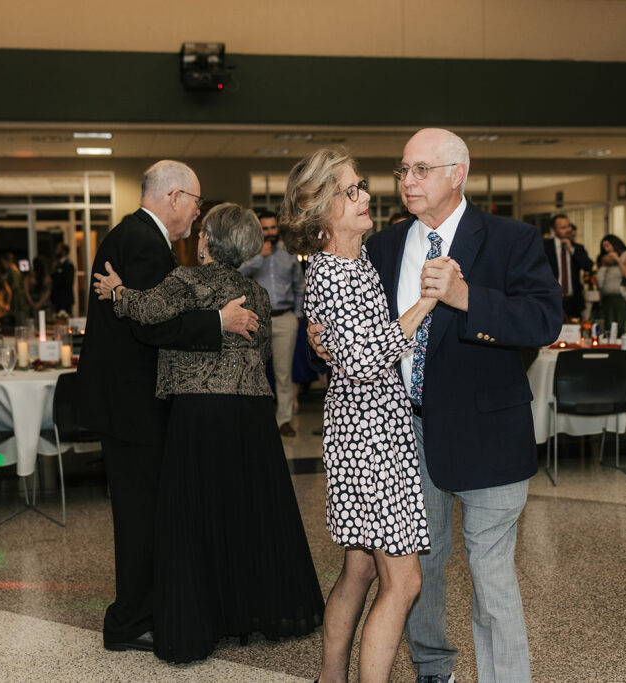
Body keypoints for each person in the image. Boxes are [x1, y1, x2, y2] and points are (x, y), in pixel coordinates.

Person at [313, 129, 563, 682]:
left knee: (491, 572)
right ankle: (432, 668)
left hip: (487, 432)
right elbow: (358, 336)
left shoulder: (510, 238)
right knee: (416, 569)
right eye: (403, 170)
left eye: (422, 170)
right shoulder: (382, 245)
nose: (408, 182)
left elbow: (544, 322)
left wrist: (467, 297)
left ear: (458, 174)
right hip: (403, 433)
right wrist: (320, 338)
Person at [92, 202, 323, 663]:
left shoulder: (187, 280)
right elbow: (255, 352)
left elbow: (149, 311)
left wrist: (117, 292)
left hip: (200, 414)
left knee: (197, 515)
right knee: (245, 512)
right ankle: (249, 611)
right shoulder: (256, 293)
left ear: (205, 243)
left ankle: (204, 615)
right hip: (251, 416)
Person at [74, 160, 258, 655]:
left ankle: (142, 612)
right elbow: (154, 323)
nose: (197, 216)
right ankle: (129, 621)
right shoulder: (142, 241)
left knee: (145, 514)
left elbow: (148, 310)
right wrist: (218, 320)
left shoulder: (137, 236)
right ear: (174, 197)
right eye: (196, 203)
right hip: (132, 407)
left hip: (128, 403)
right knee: (140, 518)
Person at [283, 148, 439, 682]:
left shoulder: (356, 258)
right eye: (351, 191)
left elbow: (353, 346)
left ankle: (331, 676)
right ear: (322, 208)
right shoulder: (334, 273)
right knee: (405, 582)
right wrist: (425, 302)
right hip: (370, 439)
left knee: (360, 568)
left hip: (364, 432)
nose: (366, 195)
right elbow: (367, 360)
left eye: (362, 185)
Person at [239, 209, 305, 437]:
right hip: (256, 320)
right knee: (254, 371)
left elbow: (300, 286)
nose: (269, 232)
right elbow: (237, 277)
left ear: (278, 229)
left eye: (272, 228)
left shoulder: (288, 254)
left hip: (285, 319)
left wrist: (296, 315)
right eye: (264, 228)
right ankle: (259, 420)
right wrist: (259, 258)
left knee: (283, 373)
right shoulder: (248, 253)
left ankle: (284, 419)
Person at [544, 213, 593, 320]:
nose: (568, 230)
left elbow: (588, 266)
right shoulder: (545, 246)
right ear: (554, 230)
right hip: (552, 300)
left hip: (573, 302)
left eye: (568, 226)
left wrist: (571, 249)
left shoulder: (577, 248)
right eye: (563, 227)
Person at [596, 234, 626, 329]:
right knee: (607, 328)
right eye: (604, 247)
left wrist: (618, 260)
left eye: (608, 245)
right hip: (606, 299)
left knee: (621, 327)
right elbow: (599, 281)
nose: (606, 249)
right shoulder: (604, 259)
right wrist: (604, 265)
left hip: (621, 298)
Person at [51, 243, 76, 315]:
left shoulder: (69, 265)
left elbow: (68, 281)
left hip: (65, 298)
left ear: (63, 251)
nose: (56, 251)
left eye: (58, 249)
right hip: (57, 298)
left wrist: (55, 279)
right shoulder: (56, 264)